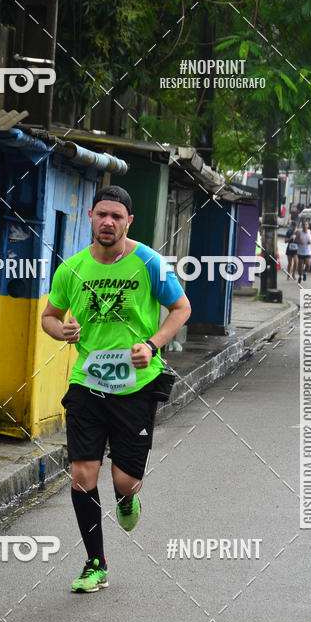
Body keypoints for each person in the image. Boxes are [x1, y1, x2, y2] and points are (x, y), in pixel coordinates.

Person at [41, 185, 191, 593]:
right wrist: (62, 330)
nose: (108, 222)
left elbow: (181, 308)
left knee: (125, 480)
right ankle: (95, 564)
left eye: (117, 217)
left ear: (129, 222)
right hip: (86, 384)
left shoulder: (148, 261)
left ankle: (127, 498)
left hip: (136, 386)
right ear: (90, 216)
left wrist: (152, 345)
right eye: (102, 214)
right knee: (81, 474)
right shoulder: (71, 269)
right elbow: (49, 317)